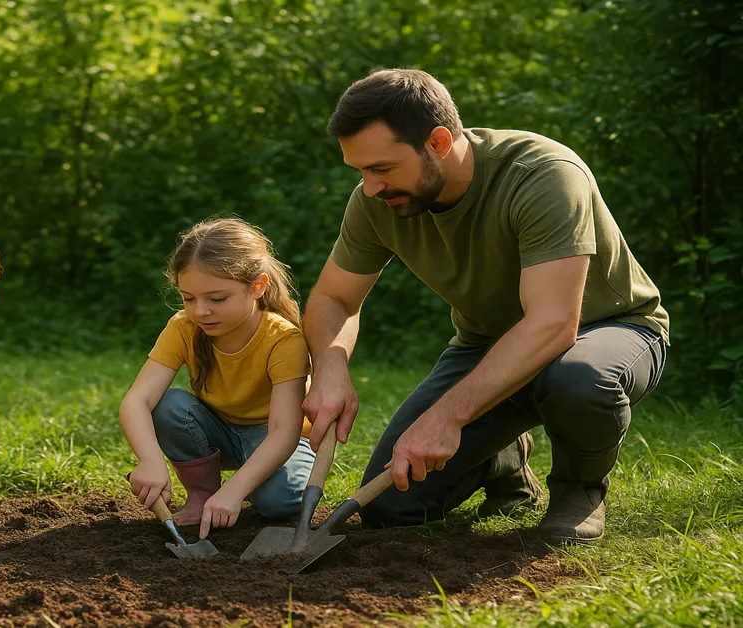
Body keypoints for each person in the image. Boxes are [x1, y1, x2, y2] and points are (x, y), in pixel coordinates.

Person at [303, 68, 668, 544]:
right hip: (486, 344)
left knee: (579, 379)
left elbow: (553, 324)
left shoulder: (541, 175)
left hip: (606, 332)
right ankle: (502, 458)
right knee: (392, 506)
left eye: (382, 168)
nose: (371, 187)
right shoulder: (375, 202)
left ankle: (578, 491)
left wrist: (448, 416)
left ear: (437, 141)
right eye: (361, 171)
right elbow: (334, 296)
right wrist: (331, 368)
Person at [121, 217, 315, 540]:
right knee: (168, 405)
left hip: (274, 436)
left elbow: (284, 431)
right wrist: (151, 460)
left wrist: (237, 490)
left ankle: (251, 485)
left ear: (258, 286)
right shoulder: (184, 328)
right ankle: (202, 493)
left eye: (217, 299)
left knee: (278, 501)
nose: (200, 312)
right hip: (217, 431)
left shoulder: (284, 339)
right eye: (189, 298)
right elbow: (135, 402)